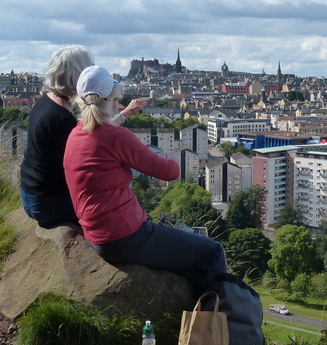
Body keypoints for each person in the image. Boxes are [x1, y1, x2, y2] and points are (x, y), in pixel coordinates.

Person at [63, 65, 228, 296]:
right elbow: (170, 172)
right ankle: (215, 322)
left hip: (97, 233)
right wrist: (172, 154)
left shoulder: (76, 134)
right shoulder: (117, 137)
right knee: (212, 252)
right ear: (115, 98)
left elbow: (104, 131)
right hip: (124, 236)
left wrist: (125, 114)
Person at [20, 47, 147, 228]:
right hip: (48, 203)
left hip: (32, 195)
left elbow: (95, 134)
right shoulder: (62, 119)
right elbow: (95, 147)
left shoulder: (46, 102)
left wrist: (125, 113)